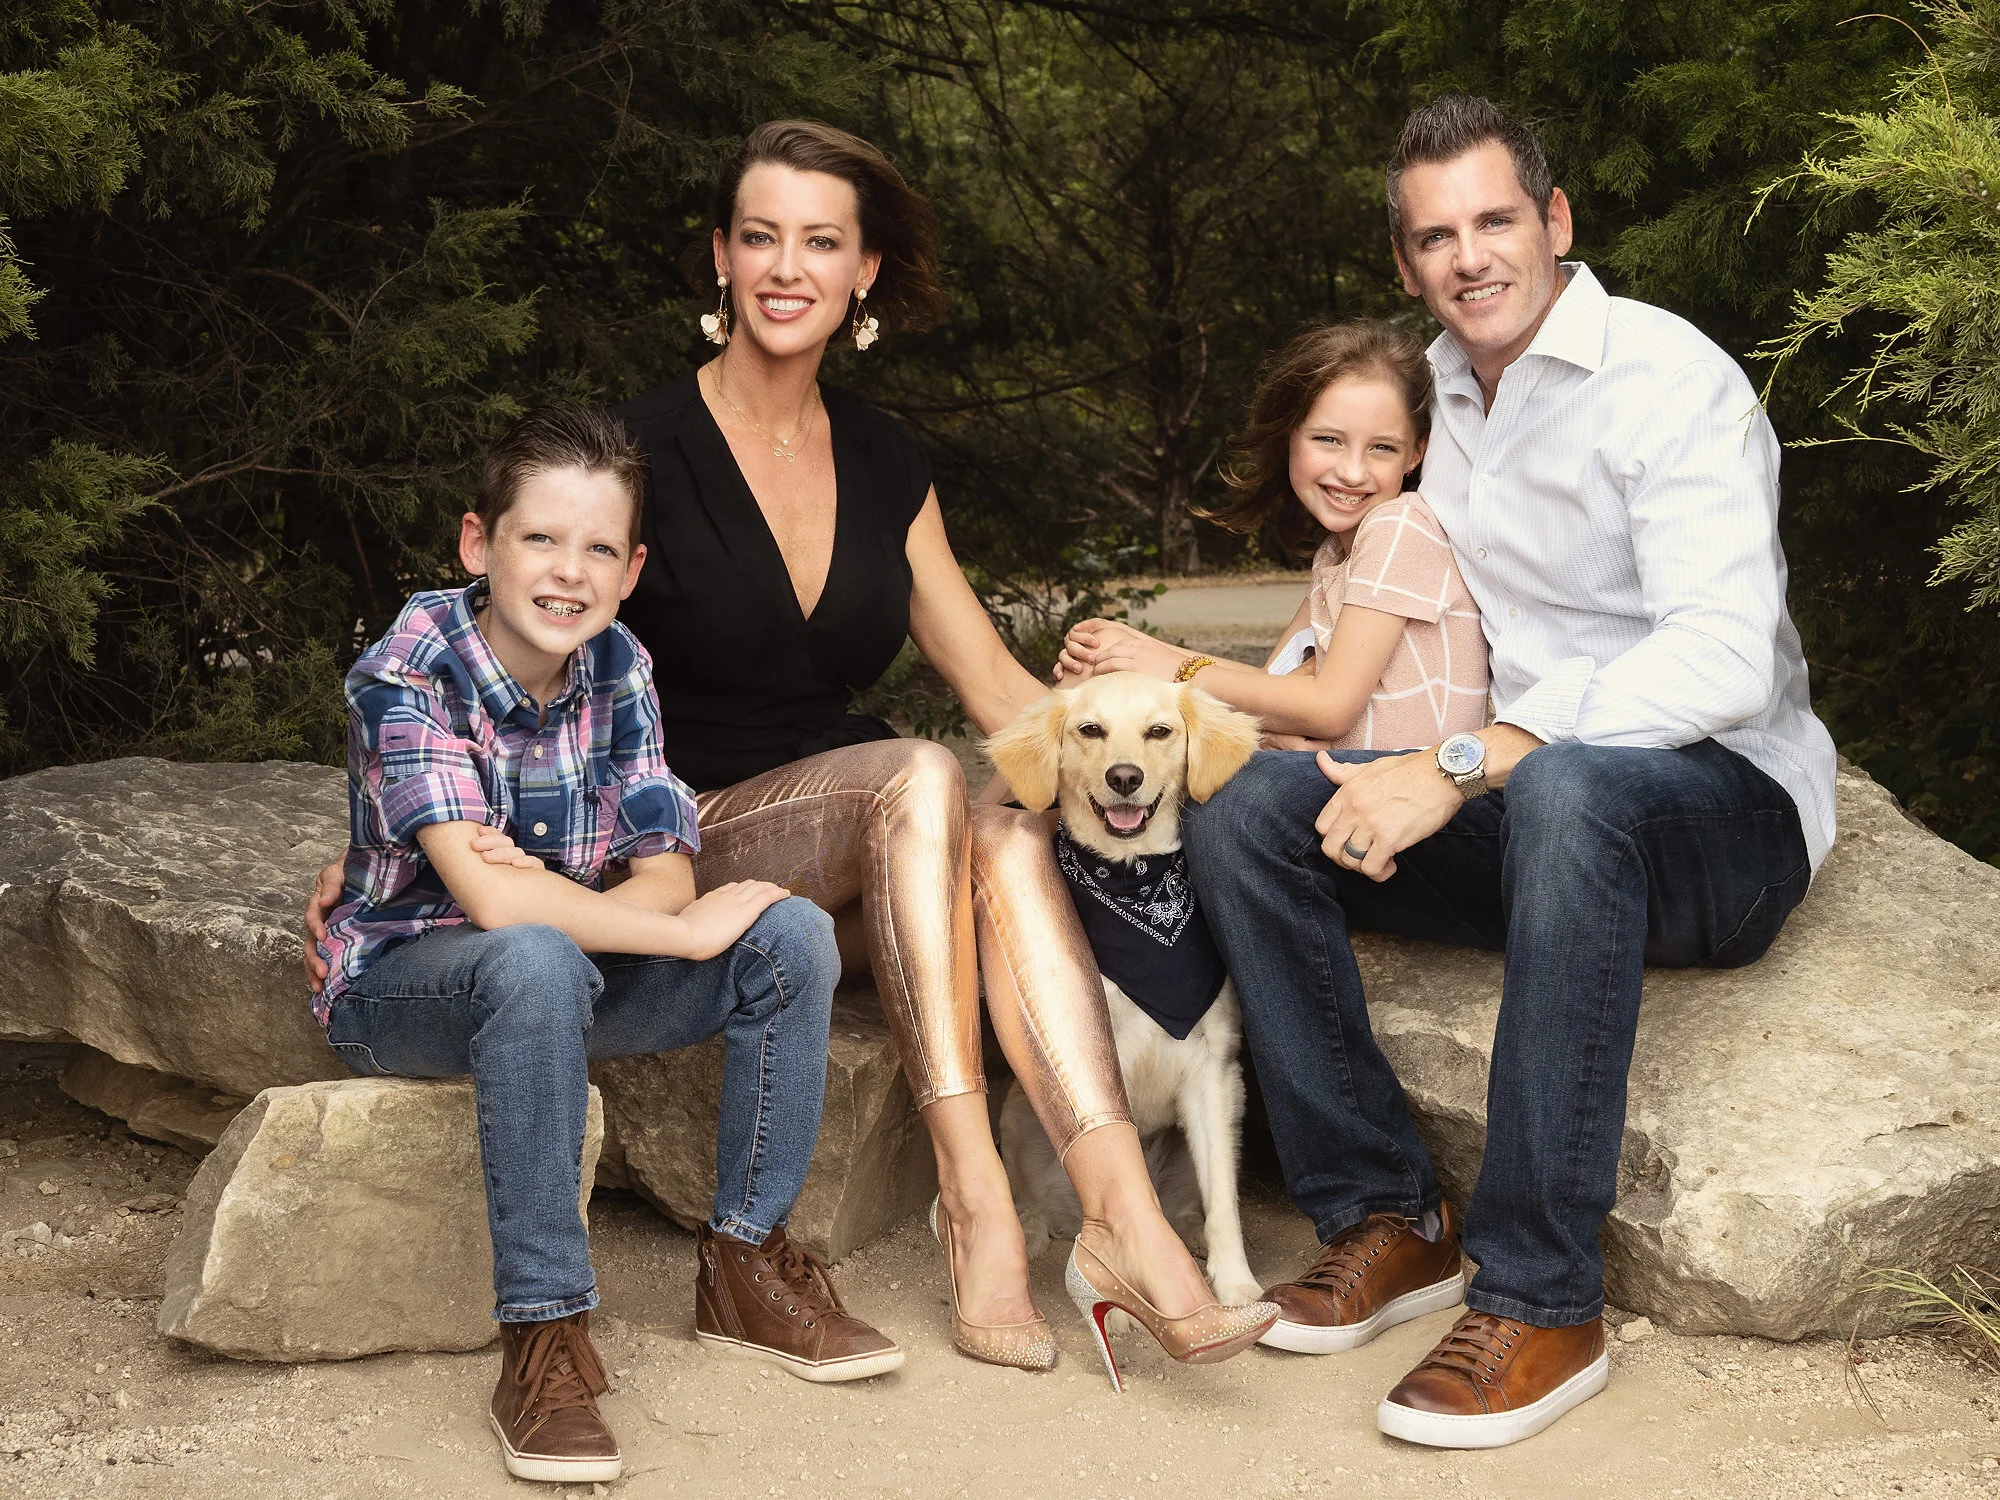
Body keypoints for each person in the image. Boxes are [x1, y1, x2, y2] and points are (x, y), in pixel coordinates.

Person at [306, 119, 1271, 1380]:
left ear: (863, 271)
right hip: (689, 835)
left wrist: (1120, 756)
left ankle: (1122, 1221)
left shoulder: (883, 457)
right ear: (719, 256)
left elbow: (989, 680)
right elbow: (527, 646)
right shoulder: (641, 450)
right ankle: (974, 1201)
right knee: (921, 774)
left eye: (821, 241)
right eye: (759, 236)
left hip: (867, 822)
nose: (786, 266)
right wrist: (391, 838)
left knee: (995, 824)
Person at [1181, 95, 1838, 1449]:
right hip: (1522, 815)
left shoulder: (1672, 380)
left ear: (1555, 223)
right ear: (1409, 258)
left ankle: (1542, 1295)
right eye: (1436, 235)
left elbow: (1725, 660)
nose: (1469, 255)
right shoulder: (1434, 402)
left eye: (1494, 220)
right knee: (1250, 810)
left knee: (1570, 787)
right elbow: (1361, 618)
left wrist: (1465, 761)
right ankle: (1385, 1217)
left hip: (1713, 807)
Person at [314, 405, 895, 1487]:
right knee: (531, 956)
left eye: (596, 550)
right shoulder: (411, 666)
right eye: (539, 539)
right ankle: (544, 1330)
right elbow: (496, 912)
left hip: (566, 977)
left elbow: (665, 862)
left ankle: (742, 1263)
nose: (566, 573)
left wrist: (627, 907)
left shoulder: (619, 663)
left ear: (630, 570)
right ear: (477, 543)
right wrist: (612, 915)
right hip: (403, 988)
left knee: (790, 935)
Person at [1057, 320, 1488, 755]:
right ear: (1288, 438)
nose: (1353, 471)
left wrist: (1173, 666)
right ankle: (1018, 815)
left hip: (1388, 798)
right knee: (1102, 656)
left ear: (1417, 452)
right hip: (1330, 780)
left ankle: (1022, 818)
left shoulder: (1400, 527)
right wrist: (1142, 648)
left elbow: (1328, 709)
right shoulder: (1336, 554)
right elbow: (1270, 686)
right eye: (1328, 439)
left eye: (1382, 448)